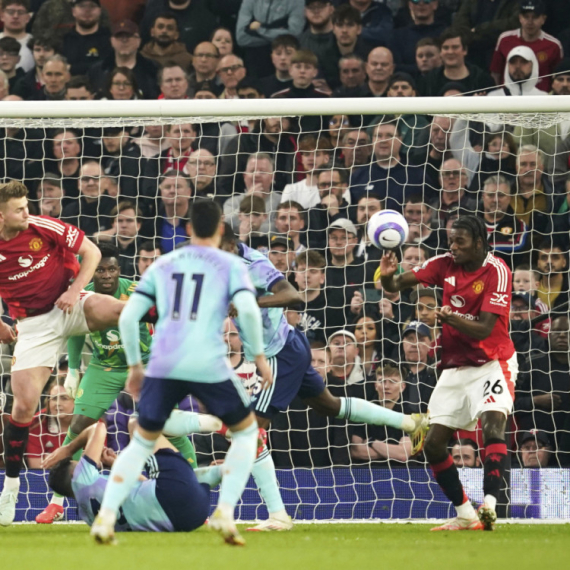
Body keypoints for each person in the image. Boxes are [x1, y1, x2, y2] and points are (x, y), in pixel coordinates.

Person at [221, 225, 428, 531]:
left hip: (280, 354)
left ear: (229, 243)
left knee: (249, 432)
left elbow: (292, 295)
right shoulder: (217, 263)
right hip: (289, 344)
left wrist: (251, 303)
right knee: (330, 406)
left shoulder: (256, 263)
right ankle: (411, 423)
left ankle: (276, 515)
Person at [90, 200, 272, 545]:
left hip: (164, 364)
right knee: (248, 434)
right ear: (220, 229)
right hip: (208, 363)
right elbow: (248, 311)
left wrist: (135, 365)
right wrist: (259, 357)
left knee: (142, 443)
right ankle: (225, 511)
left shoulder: (164, 263)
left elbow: (129, 316)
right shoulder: (231, 264)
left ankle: (106, 516)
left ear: (188, 228)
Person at [36, 242, 206, 523]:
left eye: (111, 269)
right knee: (78, 424)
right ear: (92, 270)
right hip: (104, 366)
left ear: (119, 270)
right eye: (100, 269)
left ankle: (194, 488)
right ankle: (56, 503)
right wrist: (74, 369)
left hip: (145, 364)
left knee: (165, 425)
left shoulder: (137, 290)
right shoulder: (83, 293)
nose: (106, 275)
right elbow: (76, 332)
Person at [0, 180, 127, 527]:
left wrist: (75, 290)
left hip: (69, 303)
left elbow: (92, 252)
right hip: (34, 325)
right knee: (23, 406)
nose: (27, 212)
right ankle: (11, 486)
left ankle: (179, 325)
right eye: (19, 209)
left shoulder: (43, 226)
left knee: (121, 310)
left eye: (27, 206)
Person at [380, 214, 518, 531]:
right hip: (454, 367)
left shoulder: (498, 271)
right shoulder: (443, 264)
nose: (453, 247)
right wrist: (388, 277)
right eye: (451, 241)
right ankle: (465, 514)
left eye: (460, 241)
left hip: (492, 362)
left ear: (479, 243)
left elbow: (484, 328)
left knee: (493, 426)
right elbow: (396, 284)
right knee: (432, 444)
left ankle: (490, 506)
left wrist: (450, 317)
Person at [46, 422, 223, 534]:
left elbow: (145, 485)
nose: (81, 461)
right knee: (138, 423)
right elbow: (98, 428)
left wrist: (116, 464)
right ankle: (216, 424)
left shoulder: (88, 516)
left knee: (191, 479)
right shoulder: (80, 479)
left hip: (190, 517)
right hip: (172, 496)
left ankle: (228, 469)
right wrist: (69, 449)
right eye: (78, 462)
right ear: (73, 473)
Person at [490, 0, 562, 92]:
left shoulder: (554, 45)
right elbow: (496, 73)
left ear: (543, 19)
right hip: (508, 97)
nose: (530, 22)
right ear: (520, 18)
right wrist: (498, 94)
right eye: (526, 17)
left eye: (535, 17)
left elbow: (558, 77)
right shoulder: (505, 39)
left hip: (542, 98)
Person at [88, 19, 159, 100]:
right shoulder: (97, 71)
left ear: (138, 41)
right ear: (112, 41)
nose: (124, 40)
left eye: (129, 36)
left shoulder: (152, 69)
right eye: (119, 36)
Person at [235, 0, 305, 79]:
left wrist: (259, 30)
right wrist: (278, 33)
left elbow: (294, 35)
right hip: (255, 62)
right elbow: (241, 38)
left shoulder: (296, 1)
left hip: (285, 61)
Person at [419, 30, 494, 96]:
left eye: (455, 47)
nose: (450, 52)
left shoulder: (483, 80)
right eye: (445, 48)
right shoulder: (428, 81)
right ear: (440, 52)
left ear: (465, 50)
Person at [25, 382, 74, 469]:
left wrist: (53, 460)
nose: (58, 403)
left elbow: (96, 463)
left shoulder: (91, 422)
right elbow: (37, 468)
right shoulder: (36, 423)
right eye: (54, 398)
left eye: (64, 398)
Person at [61, 0, 112, 76]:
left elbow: (106, 66)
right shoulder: (64, 39)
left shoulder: (109, 39)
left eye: (92, 6)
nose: (87, 10)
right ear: (73, 11)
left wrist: (72, 68)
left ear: (99, 11)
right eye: (82, 6)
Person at [258, 34, 297, 99]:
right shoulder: (261, 86)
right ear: (272, 57)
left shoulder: (304, 86)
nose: (283, 57)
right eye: (278, 53)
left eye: (288, 53)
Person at [0, 0, 33, 72]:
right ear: (2, 16)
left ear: (28, 18)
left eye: (20, 12)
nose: (15, 16)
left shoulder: (36, 44)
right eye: (10, 12)